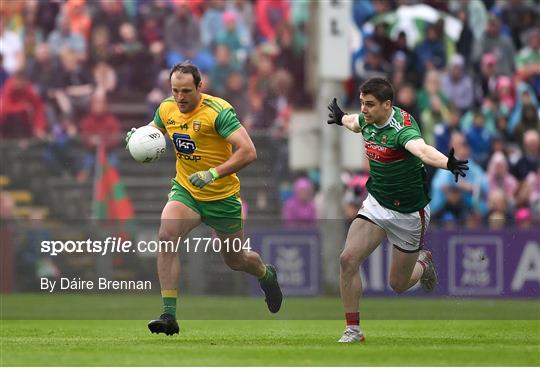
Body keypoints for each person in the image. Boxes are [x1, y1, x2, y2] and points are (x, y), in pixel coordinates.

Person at [125, 62, 282, 336]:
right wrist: (137, 137)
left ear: (200, 87)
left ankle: (266, 275)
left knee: (235, 260)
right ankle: (168, 315)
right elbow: (153, 131)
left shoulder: (218, 112)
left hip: (222, 196)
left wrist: (213, 173)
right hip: (186, 191)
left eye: (186, 91)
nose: (180, 97)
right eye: (175, 90)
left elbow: (248, 151)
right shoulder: (166, 108)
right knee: (166, 236)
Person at [326, 78, 469, 343]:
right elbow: (354, 123)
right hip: (378, 204)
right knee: (347, 260)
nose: (364, 109)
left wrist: (448, 163)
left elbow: (423, 151)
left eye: (369, 105)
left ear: (387, 105)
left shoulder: (402, 130)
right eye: (362, 103)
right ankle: (353, 330)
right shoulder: (368, 118)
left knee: (398, 285)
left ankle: (424, 264)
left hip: (409, 213)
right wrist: (342, 117)